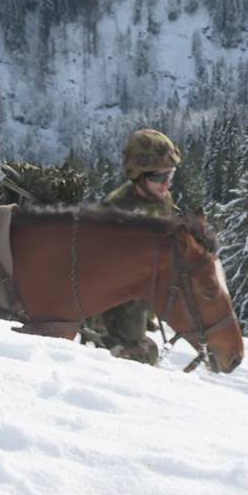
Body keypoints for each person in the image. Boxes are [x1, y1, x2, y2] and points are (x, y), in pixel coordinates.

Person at [88, 128, 181, 365]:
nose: (166, 185)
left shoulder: (162, 200)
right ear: (138, 175)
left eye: (170, 176)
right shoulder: (116, 211)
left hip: (143, 299)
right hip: (114, 310)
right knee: (140, 358)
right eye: (159, 178)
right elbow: (97, 272)